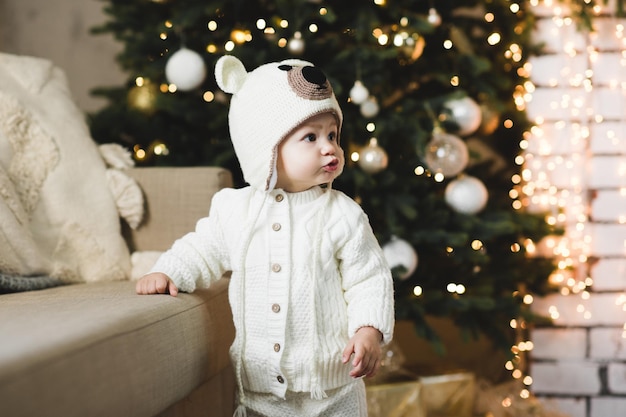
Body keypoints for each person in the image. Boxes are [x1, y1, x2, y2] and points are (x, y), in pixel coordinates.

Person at [136, 55, 395, 417]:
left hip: (334, 388)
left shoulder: (343, 215)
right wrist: (168, 271)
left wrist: (369, 330)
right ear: (266, 149)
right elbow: (203, 248)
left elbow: (368, 277)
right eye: (311, 136)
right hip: (262, 392)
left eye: (332, 135)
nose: (329, 147)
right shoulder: (235, 210)